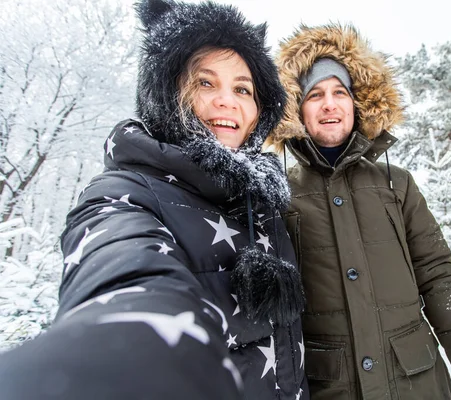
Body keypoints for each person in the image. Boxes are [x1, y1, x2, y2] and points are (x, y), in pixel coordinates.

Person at [0, 1, 307, 399]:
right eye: (204, 82)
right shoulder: (124, 192)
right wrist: (120, 347)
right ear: (164, 93)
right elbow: (123, 270)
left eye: (243, 89)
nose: (227, 101)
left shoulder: (262, 203)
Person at [268, 24, 451, 400]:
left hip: (417, 384)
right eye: (315, 94)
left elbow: (442, 284)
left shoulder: (397, 185)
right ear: (295, 108)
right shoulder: (276, 192)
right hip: (329, 388)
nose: (330, 104)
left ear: (358, 102)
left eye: (340, 92)